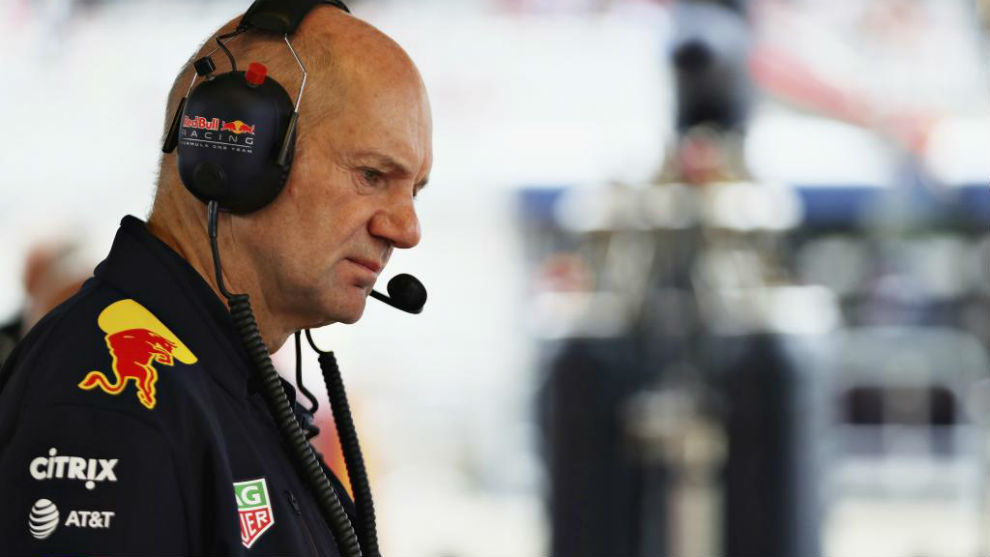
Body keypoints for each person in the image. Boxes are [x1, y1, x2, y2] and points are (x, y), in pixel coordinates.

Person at [0, 3, 431, 556]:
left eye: (414, 190)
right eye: (372, 175)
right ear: (234, 155)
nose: (406, 230)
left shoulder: (225, 388)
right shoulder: (113, 401)